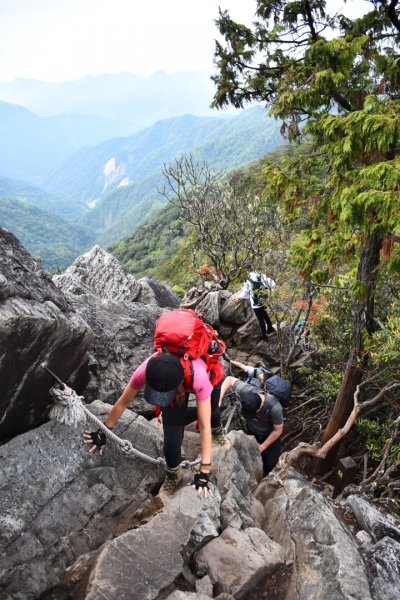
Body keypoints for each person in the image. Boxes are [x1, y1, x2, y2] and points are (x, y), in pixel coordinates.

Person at [84, 352, 231, 498]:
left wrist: (204, 472)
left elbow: (204, 425)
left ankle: (217, 431)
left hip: (205, 375)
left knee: (213, 414)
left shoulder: (199, 377)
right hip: (175, 385)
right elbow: (123, 402)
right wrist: (103, 432)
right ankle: (174, 474)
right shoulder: (147, 369)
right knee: (171, 442)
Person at [219, 371, 291, 475]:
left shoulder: (275, 408)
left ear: (260, 405)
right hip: (253, 430)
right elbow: (229, 380)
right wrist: (219, 400)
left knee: (270, 465)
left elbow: (278, 430)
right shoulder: (247, 390)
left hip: (269, 433)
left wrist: (262, 447)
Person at [234, 270, 276, 338]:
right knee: (265, 314)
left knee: (260, 319)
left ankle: (264, 335)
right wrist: (270, 293)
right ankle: (270, 328)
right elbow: (273, 284)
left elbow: (246, 291)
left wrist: (239, 296)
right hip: (263, 299)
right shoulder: (261, 276)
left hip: (255, 302)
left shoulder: (249, 279)